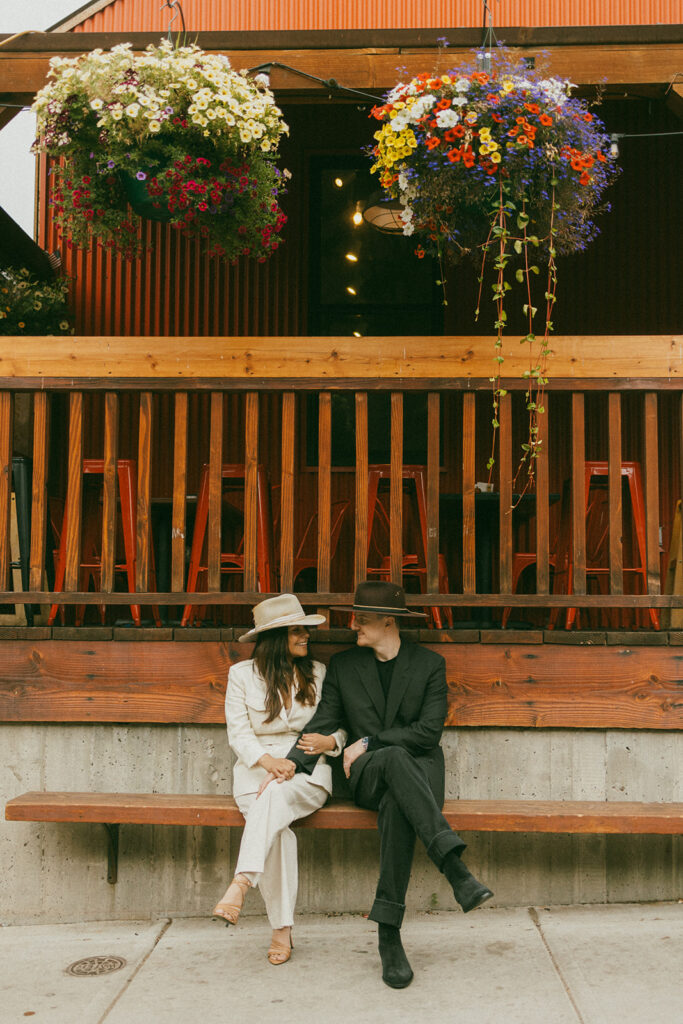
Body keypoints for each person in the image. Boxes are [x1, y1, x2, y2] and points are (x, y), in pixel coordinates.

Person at [288, 580, 493, 989]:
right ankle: (454, 870)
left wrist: (370, 741)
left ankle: (388, 932)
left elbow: (428, 733)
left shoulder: (430, 664)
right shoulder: (345, 666)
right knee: (395, 763)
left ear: (388, 622)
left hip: (417, 776)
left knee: (400, 796)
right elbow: (323, 723)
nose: (354, 626)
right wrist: (287, 764)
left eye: (362, 619)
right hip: (368, 778)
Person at [213, 593, 346, 965]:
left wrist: (331, 742)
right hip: (255, 771)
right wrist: (269, 762)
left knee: (272, 799)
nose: (306, 636)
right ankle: (281, 930)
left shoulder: (317, 673)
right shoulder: (241, 676)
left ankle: (241, 883)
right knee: (279, 830)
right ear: (275, 637)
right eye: (297, 631)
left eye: (305, 630)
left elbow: (340, 724)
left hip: (308, 773)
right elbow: (238, 734)